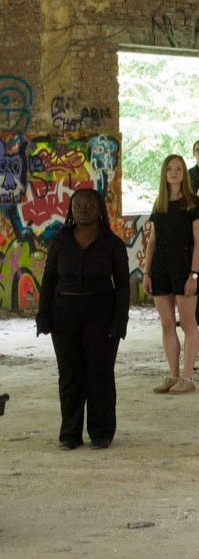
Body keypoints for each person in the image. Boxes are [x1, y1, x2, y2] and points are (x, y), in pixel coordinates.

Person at [36, 189, 130, 450]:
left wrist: (120, 321)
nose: (83, 208)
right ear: (71, 209)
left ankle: (101, 432)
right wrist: (43, 317)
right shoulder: (60, 241)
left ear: (99, 209)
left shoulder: (112, 244)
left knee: (100, 374)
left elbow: (122, 285)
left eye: (89, 204)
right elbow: (48, 281)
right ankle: (70, 434)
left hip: (101, 313)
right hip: (64, 314)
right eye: (77, 204)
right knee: (70, 375)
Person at [144, 154, 199, 395]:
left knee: (188, 324)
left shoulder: (193, 203)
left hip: (184, 266)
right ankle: (173, 374)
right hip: (160, 266)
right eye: (170, 168)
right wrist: (147, 272)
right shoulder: (159, 203)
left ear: (184, 173)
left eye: (179, 168)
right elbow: (152, 242)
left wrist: (194, 273)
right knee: (167, 323)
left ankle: (188, 376)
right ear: (164, 172)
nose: (174, 172)